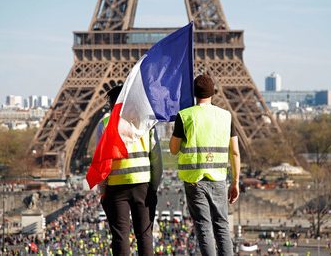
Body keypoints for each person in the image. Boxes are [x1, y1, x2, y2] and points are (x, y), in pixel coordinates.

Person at [169, 74, 240, 256]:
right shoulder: (225, 116)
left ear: (194, 93)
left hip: (194, 179)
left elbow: (174, 149)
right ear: (213, 92)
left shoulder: (185, 116)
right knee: (222, 225)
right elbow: (235, 152)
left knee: (203, 226)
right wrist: (236, 181)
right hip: (217, 178)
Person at [98, 85, 163, 256]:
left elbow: (102, 161)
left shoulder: (105, 124)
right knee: (145, 235)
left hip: (116, 187)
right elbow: (156, 158)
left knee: (120, 236)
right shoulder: (146, 123)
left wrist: (103, 190)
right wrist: (154, 187)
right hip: (142, 184)